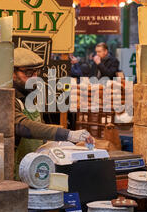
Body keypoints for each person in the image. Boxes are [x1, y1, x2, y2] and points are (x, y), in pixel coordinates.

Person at [13, 47, 94, 178]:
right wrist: (68, 134)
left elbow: (40, 128)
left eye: (36, 73)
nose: (34, 78)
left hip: (34, 169)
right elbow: (23, 126)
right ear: (11, 72)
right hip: (15, 173)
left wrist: (64, 146)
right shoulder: (7, 99)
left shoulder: (31, 97)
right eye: (28, 73)